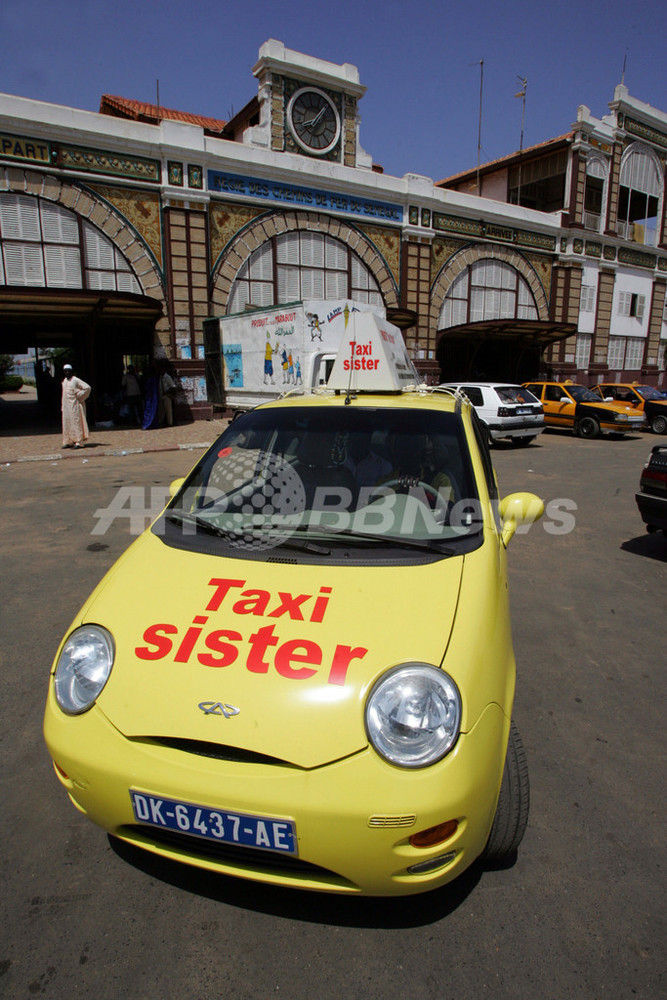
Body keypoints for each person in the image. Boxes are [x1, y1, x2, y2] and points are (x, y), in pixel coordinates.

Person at [61, 364, 91, 448]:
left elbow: (87, 388)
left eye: (69, 371)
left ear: (71, 371)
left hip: (74, 405)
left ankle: (79, 441)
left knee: (76, 422)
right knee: (67, 423)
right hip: (66, 406)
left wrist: (79, 396)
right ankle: (68, 441)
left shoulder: (75, 380)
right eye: (65, 371)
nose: (67, 372)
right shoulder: (65, 381)